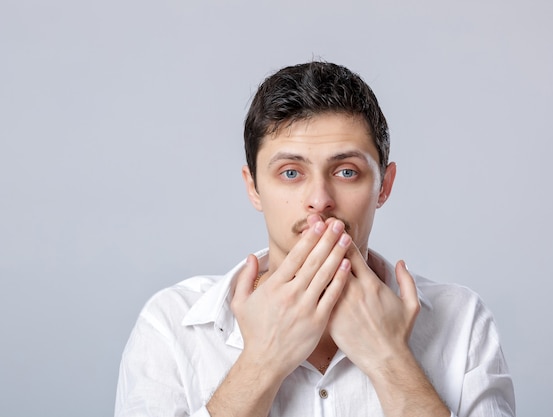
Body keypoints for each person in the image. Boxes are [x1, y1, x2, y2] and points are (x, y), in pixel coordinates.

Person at [115, 61, 515, 417]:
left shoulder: (461, 320)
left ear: (384, 186)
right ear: (253, 188)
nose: (320, 201)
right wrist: (262, 363)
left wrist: (389, 358)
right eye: (291, 172)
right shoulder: (171, 325)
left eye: (346, 172)